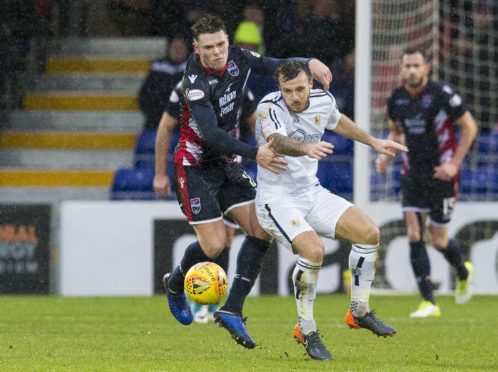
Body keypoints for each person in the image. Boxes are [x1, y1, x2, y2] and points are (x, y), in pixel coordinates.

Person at [162, 13, 332, 349]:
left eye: (221, 44)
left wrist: (308, 61)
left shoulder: (238, 57)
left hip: (226, 164)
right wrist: (258, 154)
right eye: (208, 47)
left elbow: (274, 65)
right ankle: (175, 281)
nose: (216, 52)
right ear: (196, 48)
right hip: (195, 166)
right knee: (214, 246)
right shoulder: (194, 81)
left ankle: (232, 309)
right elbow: (210, 134)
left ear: (228, 40)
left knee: (261, 229)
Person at [254, 60, 405, 360]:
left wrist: (373, 141)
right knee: (314, 250)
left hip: (310, 192)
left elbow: (337, 121)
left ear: (311, 83)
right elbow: (277, 141)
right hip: (276, 198)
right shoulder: (269, 107)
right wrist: (305, 148)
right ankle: (306, 329)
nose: (295, 97)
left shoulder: (323, 99)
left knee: (368, 233)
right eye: (288, 91)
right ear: (279, 89)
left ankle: (359, 311)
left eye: (300, 88)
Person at [376, 48, 477, 318]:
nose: (411, 70)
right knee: (413, 232)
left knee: (439, 240)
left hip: (442, 173)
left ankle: (463, 270)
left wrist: (454, 163)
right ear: (401, 70)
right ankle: (428, 301)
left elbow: (469, 127)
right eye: (407, 66)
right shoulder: (396, 99)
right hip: (412, 173)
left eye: (416, 66)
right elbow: (396, 132)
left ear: (426, 68)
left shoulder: (443, 95)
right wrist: (386, 156)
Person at [153, 80, 258, 323]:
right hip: (197, 170)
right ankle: (189, 291)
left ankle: (215, 304)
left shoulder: (241, 86)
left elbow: (256, 125)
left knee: (234, 238)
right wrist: (159, 173)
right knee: (213, 243)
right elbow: (165, 127)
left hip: (231, 171)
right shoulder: (185, 87)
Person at [138, 36, 188, 130]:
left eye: (181, 48)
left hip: (184, 125)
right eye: (175, 48)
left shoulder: (193, 70)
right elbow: (145, 97)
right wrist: (158, 116)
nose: (178, 51)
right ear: (168, 49)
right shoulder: (157, 69)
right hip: (156, 123)